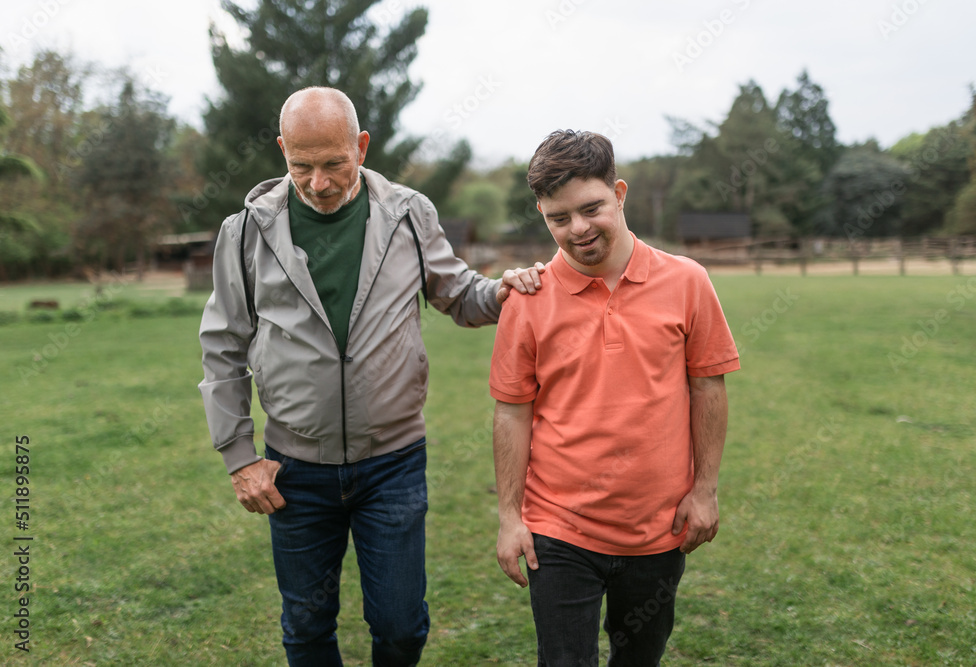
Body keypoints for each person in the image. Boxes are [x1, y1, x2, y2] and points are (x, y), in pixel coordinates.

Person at [198, 86, 543, 666]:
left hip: (394, 464)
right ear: (282, 150)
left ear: (360, 145)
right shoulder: (247, 231)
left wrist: (502, 290)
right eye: (300, 166)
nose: (319, 182)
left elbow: (458, 294)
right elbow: (223, 345)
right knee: (306, 626)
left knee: (402, 627)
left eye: (334, 163)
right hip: (294, 469)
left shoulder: (409, 213)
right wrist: (239, 457)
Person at [490, 130, 740, 666]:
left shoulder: (688, 281)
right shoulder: (527, 299)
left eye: (591, 208)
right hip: (558, 530)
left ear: (619, 193)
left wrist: (705, 490)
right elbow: (512, 412)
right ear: (542, 214)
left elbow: (708, 386)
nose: (578, 229)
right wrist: (510, 516)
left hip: (660, 527)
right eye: (559, 218)